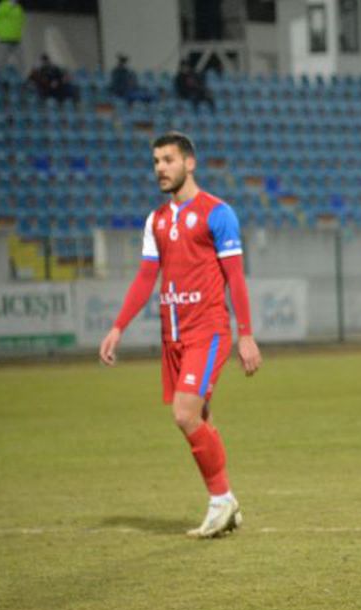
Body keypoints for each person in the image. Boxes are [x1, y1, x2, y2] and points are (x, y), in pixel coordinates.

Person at [99, 131, 262, 537]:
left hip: (206, 330)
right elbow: (145, 277)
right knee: (201, 416)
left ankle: (221, 499)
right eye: (156, 161)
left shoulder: (217, 213)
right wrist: (118, 327)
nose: (160, 168)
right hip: (171, 334)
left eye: (168, 160)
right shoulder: (156, 220)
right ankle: (228, 505)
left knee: (185, 414)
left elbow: (235, 277)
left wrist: (245, 334)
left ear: (189, 163)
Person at [0, 0, 24, 70]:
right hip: (4, 38)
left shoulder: (18, 8)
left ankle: (21, 78)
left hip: (16, 39)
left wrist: (19, 32)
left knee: (22, 60)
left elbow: (21, 20)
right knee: (2, 60)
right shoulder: (2, 6)